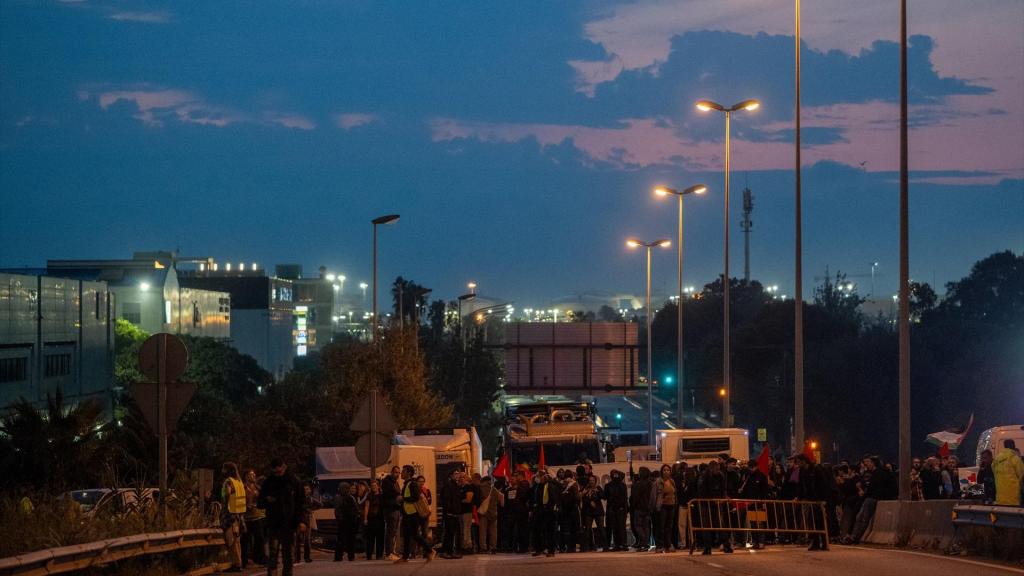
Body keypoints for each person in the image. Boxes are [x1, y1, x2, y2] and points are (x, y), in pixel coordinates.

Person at [259, 458, 304, 576]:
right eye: (275, 472)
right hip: (273, 523)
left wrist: (300, 521)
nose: (277, 474)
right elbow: (260, 502)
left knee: (288, 555)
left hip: (289, 524)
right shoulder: (268, 482)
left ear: (284, 467)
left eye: (279, 472)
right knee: (272, 554)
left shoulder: (294, 482)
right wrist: (267, 500)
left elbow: (300, 503)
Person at [398, 464, 436, 563]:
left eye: (403, 471)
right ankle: (405, 557)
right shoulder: (406, 484)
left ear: (409, 473)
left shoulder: (412, 484)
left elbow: (416, 497)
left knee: (415, 535)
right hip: (406, 513)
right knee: (406, 535)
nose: (401, 473)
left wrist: (403, 498)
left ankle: (430, 550)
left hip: (413, 513)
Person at [221, 462, 247, 572]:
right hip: (239, 515)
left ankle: (236, 565)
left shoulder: (229, 481)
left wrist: (225, 507)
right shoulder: (239, 481)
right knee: (237, 541)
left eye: (224, 469)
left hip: (230, 515)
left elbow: (227, 493)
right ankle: (238, 563)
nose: (222, 471)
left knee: (231, 541)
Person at [242, 469, 267, 567]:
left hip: (256, 516)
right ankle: (244, 560)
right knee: (245, 539)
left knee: (260, 538)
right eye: (251, 474)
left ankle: (259, 558)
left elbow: (262, 500)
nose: (254, 476)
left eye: (254, 474)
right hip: (246, 517)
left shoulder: (257, 488)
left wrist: (257, 505)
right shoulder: (242, 487)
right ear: (246, 476)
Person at [532, 470, 557, 557]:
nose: (537, 478)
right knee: (537, 531)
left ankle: (551, 550)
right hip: (539, 511)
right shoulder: (537, 486)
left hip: (548, 512)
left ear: (544, 477)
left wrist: (550, 508)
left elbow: (553, 498)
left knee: (550, 532)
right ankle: (539, 549)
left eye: (539, 476)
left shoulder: (550, 485)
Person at [505, 470, 532, 554]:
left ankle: (523, 547)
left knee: (522, 530)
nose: (515, 478)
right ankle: (514, 546)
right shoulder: (511, 488)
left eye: (517, 476)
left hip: (521, 510)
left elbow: (523, 496)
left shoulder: (524, 484)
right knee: (514, 530)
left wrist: (517, 488)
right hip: (514, 511)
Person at [440, 470, 464, 559]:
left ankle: (450, 551)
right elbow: (446, 500)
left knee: (452, 533)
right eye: (455, 474)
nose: (457, 475)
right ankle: (447, 551)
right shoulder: (448, 485)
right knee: (449, 533)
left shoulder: (456, 485)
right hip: (450, 513)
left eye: (458, 474)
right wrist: (449, 510)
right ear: (451, 475)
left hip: (455, 513)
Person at [603, 469, 629, 551]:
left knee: (621, 527)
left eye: (616, 474)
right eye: (613, 474)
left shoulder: (622, 485)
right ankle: (617, 545)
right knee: (614, 527)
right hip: (612, 509)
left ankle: (624, 544)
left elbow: (624, 498)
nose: (614, 475)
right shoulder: (608, 486)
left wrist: (624, 508)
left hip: (621, 509)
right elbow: (605, 496)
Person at [333, 483, 359, 562]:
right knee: (350, 540)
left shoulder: (338, 498)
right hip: (349, 522)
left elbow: (337, 511)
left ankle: (338, 557)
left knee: (341, 540)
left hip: (343, 522)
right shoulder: (351, 498)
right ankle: (351, 556)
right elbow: (356, 510)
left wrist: (339, 519)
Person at [993, 439, 1024, 506]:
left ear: (1004, 446)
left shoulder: (996, 459)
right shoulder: (1015, 459)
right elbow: (1022, 476)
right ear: (1013, 445)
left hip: (1000, 499)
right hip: (1013, 499)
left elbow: (994, 472)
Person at [477, 476, 503, 553]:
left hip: (484, 513)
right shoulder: (494, 490)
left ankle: (483, 548)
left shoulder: (480, 489)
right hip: (494, 513)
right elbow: (500, 499)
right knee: (493, 532)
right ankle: (493, 547)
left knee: (483, 531)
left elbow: (478, 499)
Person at [381, 466, 403, 560]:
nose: (397, 474)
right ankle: (388, 552)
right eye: (395, 472)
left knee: (394, 532)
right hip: (390, 509)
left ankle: (392, 551)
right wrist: (396, 499)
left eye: (398, 473)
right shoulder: (387, 482)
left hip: (396, 509)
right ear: (391, 472)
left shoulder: (396, 483)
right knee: (390, 531)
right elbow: (387, 496)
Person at [295, 481, 319, 563]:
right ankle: (297, 558)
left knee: (307, 540)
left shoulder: (311, 499)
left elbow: (320, 504)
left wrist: (311, 510)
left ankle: (307, 557)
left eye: (307, 489)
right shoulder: (298, 499)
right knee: (297, 540)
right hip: (299, 520)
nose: (306, 490)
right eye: (305, 489)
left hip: (307, 520)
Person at [581, 475, 605, 552]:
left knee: (601, 529)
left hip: (598, 511)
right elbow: (583, 500)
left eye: (592, 480)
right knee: (587, 529)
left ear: (595, 481)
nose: (591, 481)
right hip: (589, 512)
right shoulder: (586, 489)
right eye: (590, 480)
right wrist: (589, 501)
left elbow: (603, 496)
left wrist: (598, 493)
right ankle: (586, 547)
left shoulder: (598, 488)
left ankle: (605, 546)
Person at [656, 465, 677, 553]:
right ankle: (660, 545)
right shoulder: (658, 481)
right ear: (661, 471)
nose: (666, 471)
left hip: (671, 505)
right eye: (664, 470)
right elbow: (656, 494)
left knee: (669, 526)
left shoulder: (672, 481)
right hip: (662, 506)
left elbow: (675, 493)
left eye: (668, 470)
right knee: (661, 526)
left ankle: (668, 544)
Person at [363, 479, 385, 560]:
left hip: (380, 518)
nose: (373, 487)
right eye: (372, 486)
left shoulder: (382, 495)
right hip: (371, 518)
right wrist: (365, 518)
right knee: (370, 538)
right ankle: (369, 555)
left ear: (378, 486)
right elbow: (366, 507)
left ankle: (379, 555)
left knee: (380, 538)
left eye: (375, 486)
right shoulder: (369, 495)